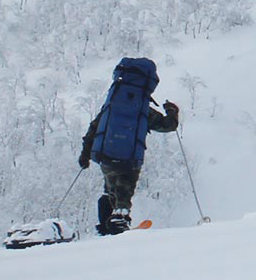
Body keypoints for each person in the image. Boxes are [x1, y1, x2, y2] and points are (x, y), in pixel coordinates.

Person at [77, 56, 180, 235]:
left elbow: (93, 130)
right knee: (124, 191)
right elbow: (168, 126)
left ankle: (105, 226)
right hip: (130, 158)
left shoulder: (111, 106)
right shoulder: (142, 110)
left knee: (110, 190)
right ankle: (120, 220)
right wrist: (172, 111)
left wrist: (85, 155)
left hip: (106, 156)